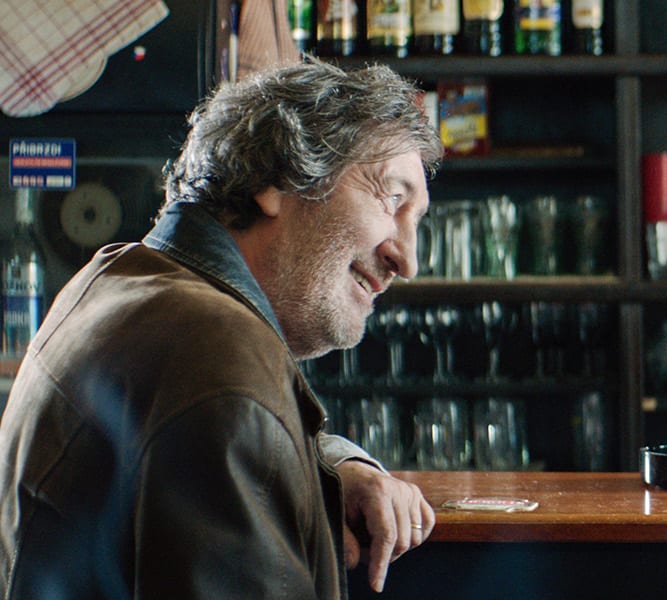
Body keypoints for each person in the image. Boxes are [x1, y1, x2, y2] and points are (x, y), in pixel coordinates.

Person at [0, 60, 443, 598]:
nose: (406, 260)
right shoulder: (219, 357)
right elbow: (226, 403)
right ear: (279, 178)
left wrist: (334, 466)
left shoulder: (119, 274)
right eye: (392, 199)